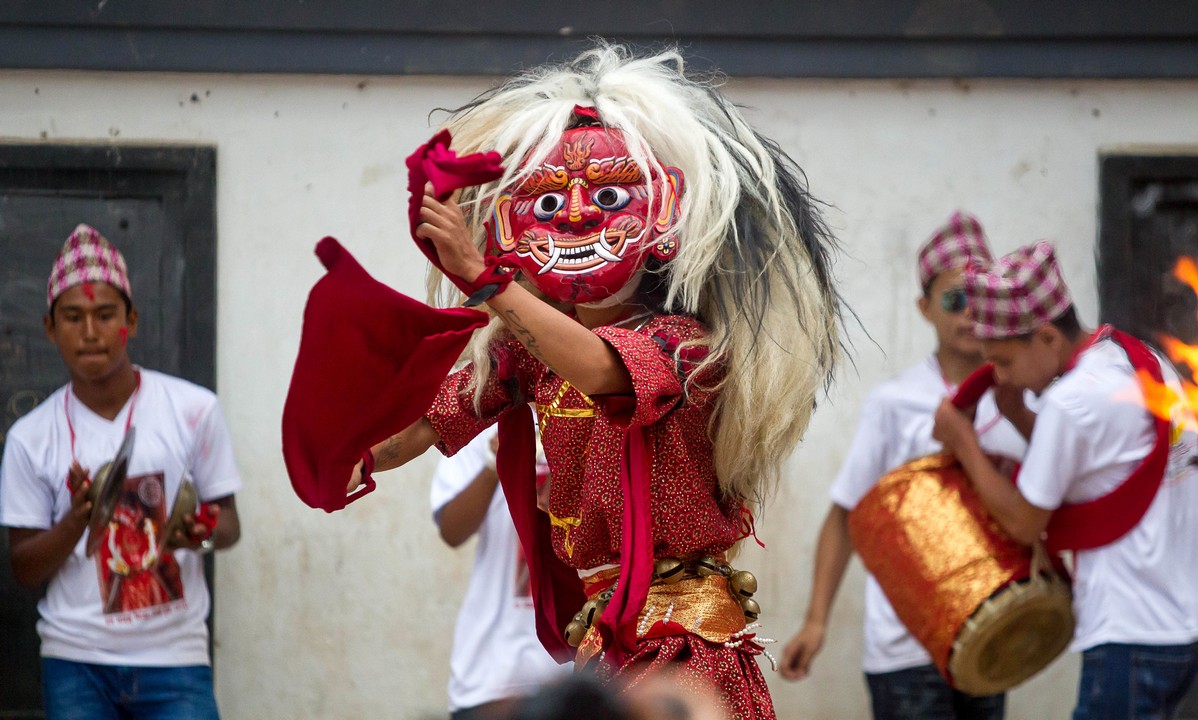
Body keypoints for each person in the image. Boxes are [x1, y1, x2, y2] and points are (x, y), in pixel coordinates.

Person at [348, 42, 843, 719]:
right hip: (603, 648)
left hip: (687, 651)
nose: (578, 215)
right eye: (548, 202)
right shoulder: (520, 351)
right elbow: (430, 423)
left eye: (608, 194)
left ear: (663, 217)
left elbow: (602, 368)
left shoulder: (683, 346)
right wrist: (351, 458)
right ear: (514, 227)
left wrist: (486, 280)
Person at [932, 241, 1198, 720]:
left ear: (1049, 338)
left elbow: (1024, 521)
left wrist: (963, 442)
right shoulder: (1139, 361)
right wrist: (1017, 417)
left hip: (1128, 632)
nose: (1002, 376)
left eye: (1005, 361)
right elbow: (1095, 464)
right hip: (1177, 626)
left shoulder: (1070, 401)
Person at [780, 212, 1026, 720]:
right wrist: (816, 621)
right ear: (924, 307)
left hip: (992, 632)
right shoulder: (895, 403)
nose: (969, 315)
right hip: (906, 649)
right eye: (955, 299)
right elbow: (846, 514)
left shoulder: (1018, 402)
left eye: (980, 299)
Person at [0, 224, 242, 719]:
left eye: (105, 315)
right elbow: (24, 568)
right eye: (73, 317)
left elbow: (230, 525)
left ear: (130, 319)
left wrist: (199, 533)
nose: (90, 332)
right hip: (76, 660)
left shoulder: (194, 409)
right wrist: (77, 521)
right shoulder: (30, 436)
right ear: (50, 328)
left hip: (176, 659)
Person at [431, 424, 569, 719]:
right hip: (492, 672)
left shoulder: (603, 411)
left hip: (579, 670)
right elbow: (452, 530)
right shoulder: (478, 419)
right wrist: (494, 463)